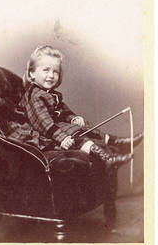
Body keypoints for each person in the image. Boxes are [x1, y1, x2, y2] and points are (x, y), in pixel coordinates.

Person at [11, 45, 143, 167]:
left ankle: (116, 142)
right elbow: (43, 122)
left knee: (82, 127)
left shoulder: (51, 94)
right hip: (41, 133)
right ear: (31, 74)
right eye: (46, 70)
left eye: (55, 71)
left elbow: (63, 111)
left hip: (52, 128)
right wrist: (62, 138)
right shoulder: (34, 96)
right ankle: (107, 159)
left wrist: (72, 118)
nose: (51, 75)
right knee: (76, 137)